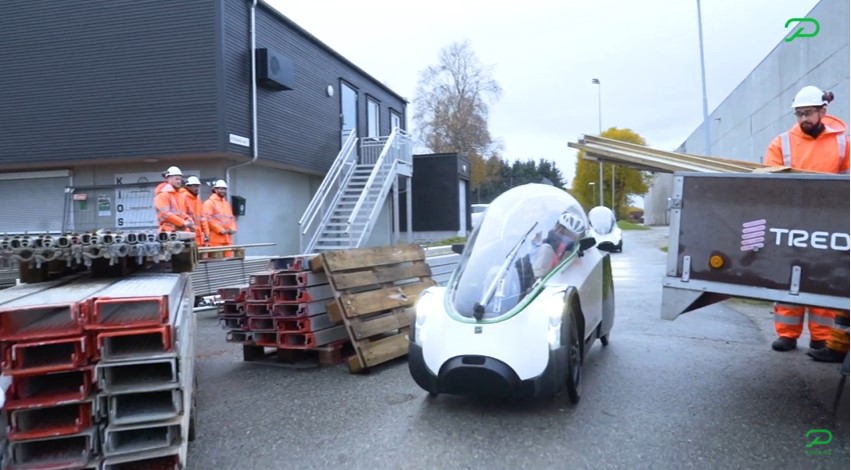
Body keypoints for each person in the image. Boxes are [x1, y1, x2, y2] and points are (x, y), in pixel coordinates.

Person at [762, 85, 849, 362]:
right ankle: (787, 334)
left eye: (808, 113)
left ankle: (821, 337)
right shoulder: (782, 142)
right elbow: (769, 179)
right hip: (792, 220)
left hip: (828, 221)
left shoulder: (842, 141)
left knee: (823, 276)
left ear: (823, 111)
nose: (803, 119)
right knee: (788, 276)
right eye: (799, 114)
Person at [203, 179, 237, 257]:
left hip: (227, 238)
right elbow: (208, 219)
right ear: (215, 189)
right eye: (221, 189)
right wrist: (219, 229)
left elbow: (231, 218)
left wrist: (233, 228)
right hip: (215, 239)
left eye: (224, 189)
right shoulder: (209, 203)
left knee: (228, 262)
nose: (223, 191)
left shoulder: (226, 204)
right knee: (216, 262)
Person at [153, 167, 193, 233]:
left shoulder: (178, 195)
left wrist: (187, 218)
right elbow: (165, 214)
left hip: (180, 230)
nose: (179, 181)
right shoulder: (163, 194)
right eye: (176, 179)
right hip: (167, 231)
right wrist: (183, 222)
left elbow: (180, 213)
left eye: (180, 179)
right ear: (168, 178)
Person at [180, 176, 210, 247]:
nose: (197, 188)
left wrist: (206, 232)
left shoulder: (197, 200)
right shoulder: (183, 197)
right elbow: (182, 216)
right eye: (195, 186)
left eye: (198, 186)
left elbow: (203, 218)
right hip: (188, 234)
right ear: (188, 186)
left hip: (198, 235)